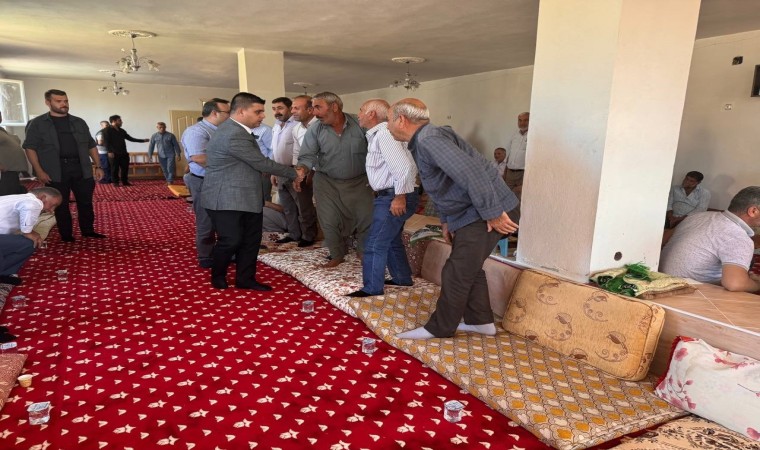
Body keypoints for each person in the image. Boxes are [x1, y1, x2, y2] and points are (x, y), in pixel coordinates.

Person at [386, 98, 519, 339]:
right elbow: (441, 185)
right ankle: (481, 322)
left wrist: (492, 213)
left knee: (456, 271)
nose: (387, 126)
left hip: (487, 211)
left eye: (388, 120)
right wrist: (447, 220)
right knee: (468, 267)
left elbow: (471, 173)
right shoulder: (426, 138)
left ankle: (439, 328)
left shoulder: (429, 139)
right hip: (471, 212)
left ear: (401, 120)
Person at [200, 92, 300, 290]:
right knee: (231, 240)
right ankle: (218, 276)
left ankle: (245, 279)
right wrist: (295, 173)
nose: (263, 116)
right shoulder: (233, 133)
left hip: (245, 196)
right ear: (241, 111)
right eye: (258, 112)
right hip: (227, 198)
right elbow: (260, 162)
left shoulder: (238, 130)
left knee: (251, 240)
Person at [347, 99, 419, 298]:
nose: (358, 114)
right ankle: (402, 278)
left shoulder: (384, 134)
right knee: (391, 238)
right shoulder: (382, 134)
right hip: (393, 193)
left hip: (394, 194)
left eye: (361, 110)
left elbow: (403, 167)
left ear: (372, 114)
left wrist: (399, 196)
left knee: (375, 242)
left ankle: (371, 289)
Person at [295, 92, 374, 268]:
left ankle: (363, 251)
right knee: (328, 220)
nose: (314, 112)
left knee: (366, 218)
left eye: (318, 107)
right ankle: (336, 254)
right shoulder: (315, 129)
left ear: (335, 107)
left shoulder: (359, 124)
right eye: (313, 108)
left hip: (360, 182)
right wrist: (301, 171)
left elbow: (376, 150)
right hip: (327, 183)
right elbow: (307, 155)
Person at [23, 89, 106, 242]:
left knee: (85, 202)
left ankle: (88, 230)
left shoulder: (79, 122)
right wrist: (39, 171)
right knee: (60, 204)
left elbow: (91, 145)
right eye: (59, 101)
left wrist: (98, 165)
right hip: (55, 170)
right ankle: (66, 235)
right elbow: (30, 148)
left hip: (81, 168)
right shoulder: (37, 124)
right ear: (48, 102)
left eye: (66, 101)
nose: (64, 104)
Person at [660, 186, 760, 293]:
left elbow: (663, 239)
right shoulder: (738, 236)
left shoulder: (699, 216)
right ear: (753, 211)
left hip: (658, 281)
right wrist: (756, 284)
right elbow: (735, 284)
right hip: (684, 292)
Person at [181, 98, 230, 269]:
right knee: (206, 219)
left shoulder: (222, 130)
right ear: (215, 113)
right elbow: (200, 158)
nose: (230, 115)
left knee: (225, 218)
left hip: (223, 180)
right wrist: (233, 165)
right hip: (204, 181)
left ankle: (223, 251)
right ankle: (206, 255)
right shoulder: (196, 131)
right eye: (227, 112)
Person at [270, 97, 316, 247]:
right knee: (288, 207)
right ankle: (294, 234)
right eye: (274, 109)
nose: (277, 112)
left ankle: (308, 236)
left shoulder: (297, 124)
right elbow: (274, 150)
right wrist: (273, 171)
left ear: (289, 109)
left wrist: (301, 173)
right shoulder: (277, 126)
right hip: (280, 170)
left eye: (280, 108)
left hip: (295, 170)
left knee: (303, 206)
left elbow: (302, 153)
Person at [0, 187, 62, 285]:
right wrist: (31, 234)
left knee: (21, 241)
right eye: (53, 205)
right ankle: (3, 272)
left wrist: (31, 232)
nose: (52, 210)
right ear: (43, 198)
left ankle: (4, 272)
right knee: (29, 243)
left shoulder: (20, 198)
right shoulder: (34, 203)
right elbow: (26, 230)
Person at [104, 114, 149, 187]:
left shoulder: (122, 130)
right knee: (114, 169)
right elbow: (106, 142)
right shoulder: (107, 130)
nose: (121, 122)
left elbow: (130, 138)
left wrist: (143, 140)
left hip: (123, 152)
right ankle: (116, 182)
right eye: (119, 120)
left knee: (125, 168)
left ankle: (125, 181)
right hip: (113, 153)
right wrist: (109, 151)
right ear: (114, 121)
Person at [503, 112, 529, 222]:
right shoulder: (514, 135)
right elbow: (509, 154)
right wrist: (505, 172)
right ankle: (507, 223)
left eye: (525, 120)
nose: (522, 123)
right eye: (520, 120)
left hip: (523, 173)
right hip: (510, 172)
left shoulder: (533, 135)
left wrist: (527, 180)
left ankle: (518, 224)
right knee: (505, 197)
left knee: (521, 199)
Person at [0, 111, 28, 196]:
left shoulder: (2, 130)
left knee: (15, 196)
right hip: (5, 172)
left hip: (14, 171)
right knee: (7, 198)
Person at [252, 122, 274, 202]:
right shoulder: (239, 129)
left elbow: (273, 150)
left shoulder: (266, 129)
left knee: (263, 198)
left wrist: (267, 167)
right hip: (245, 170)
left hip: (262, 171)